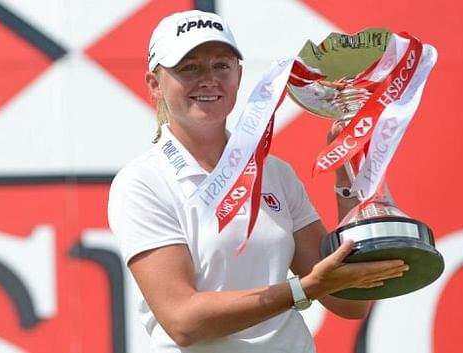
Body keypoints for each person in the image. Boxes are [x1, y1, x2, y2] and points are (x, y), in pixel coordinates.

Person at [108, 9, 409, 353]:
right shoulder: (143, 183)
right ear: (154, 84)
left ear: (238, 73)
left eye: (221, 65)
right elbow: (183, 321)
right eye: (189, 67)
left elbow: (349, 303)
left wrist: (350, 180)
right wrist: (303, 289)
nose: (208, 78)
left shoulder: (275, 173)